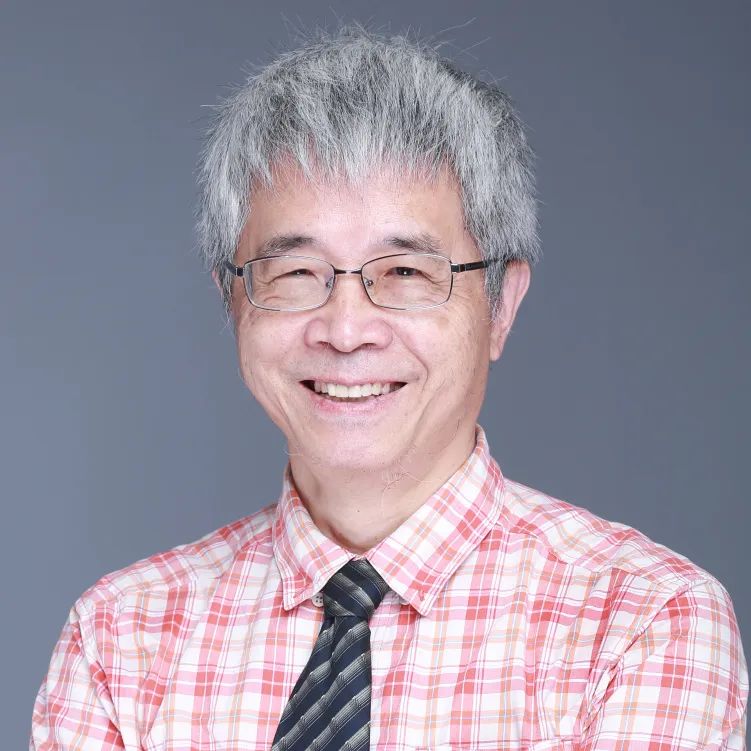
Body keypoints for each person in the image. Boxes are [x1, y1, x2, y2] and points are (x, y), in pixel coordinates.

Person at [31, 26, 747, 750]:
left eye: (405, 273)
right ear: (232, 300)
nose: (346, 330)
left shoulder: (639, 625)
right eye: (295, 273)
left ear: (501, 306)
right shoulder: (123, 639)